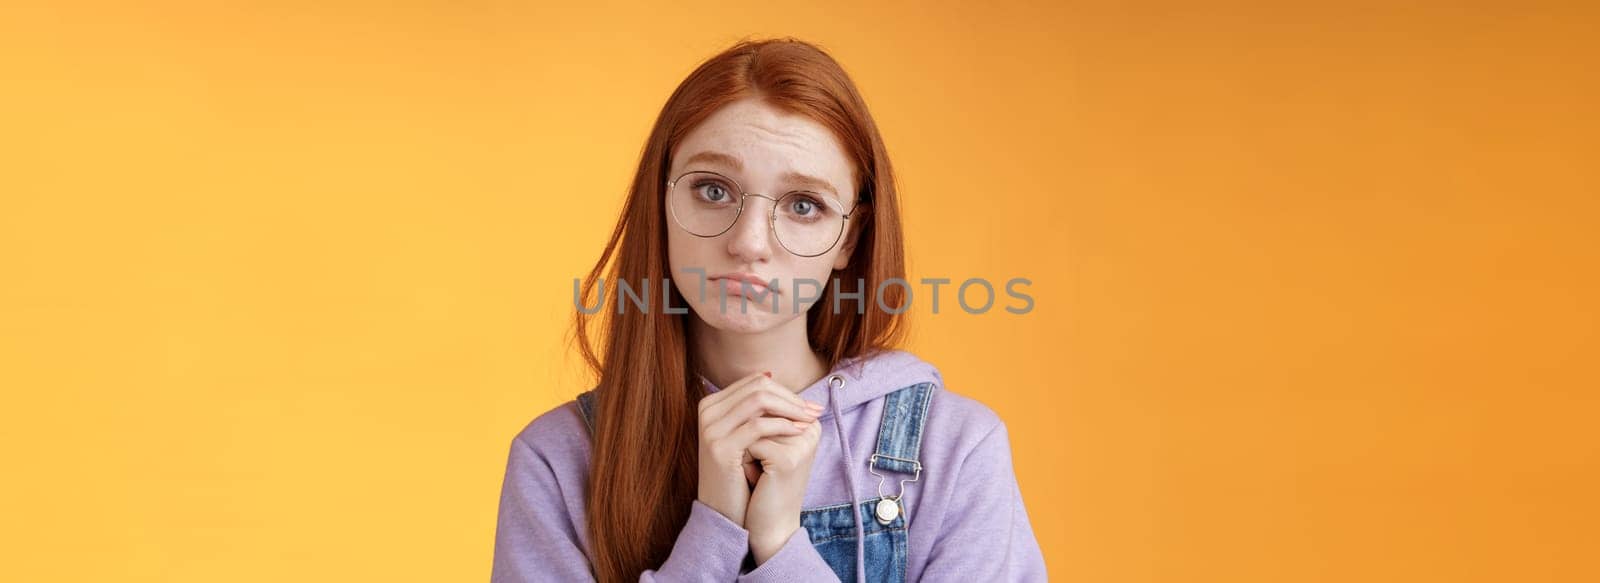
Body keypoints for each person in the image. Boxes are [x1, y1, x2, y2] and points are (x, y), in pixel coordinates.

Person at [491, 37, 1046, 582]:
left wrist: (780, 544)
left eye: (804, 205)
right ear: (660, 202)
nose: (749, 242)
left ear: (850, 239)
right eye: (712, 190)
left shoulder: (955, 450)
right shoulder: (557, 461)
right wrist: (713, 530)